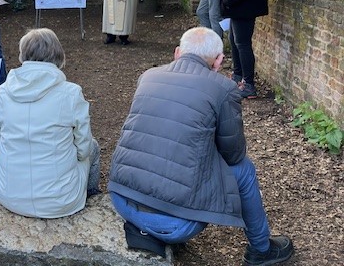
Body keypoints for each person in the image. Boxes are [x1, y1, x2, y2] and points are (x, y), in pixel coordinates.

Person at [108, 27, 293, 265]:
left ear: (177, 53)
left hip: (123, 201)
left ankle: (153, 219)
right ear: (218, 61)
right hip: (176, 226)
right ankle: (261, 249)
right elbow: (233, 154)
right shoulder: (223, 88)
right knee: (245, 171)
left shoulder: (148, 76)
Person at [0, 28, 101, 219]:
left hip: (8, 194)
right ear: (58, 55)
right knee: (93, 146)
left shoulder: (4, 91)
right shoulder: (71, 93)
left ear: (23, 54)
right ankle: (90, 195)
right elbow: (83, 148)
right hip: (60, 201)